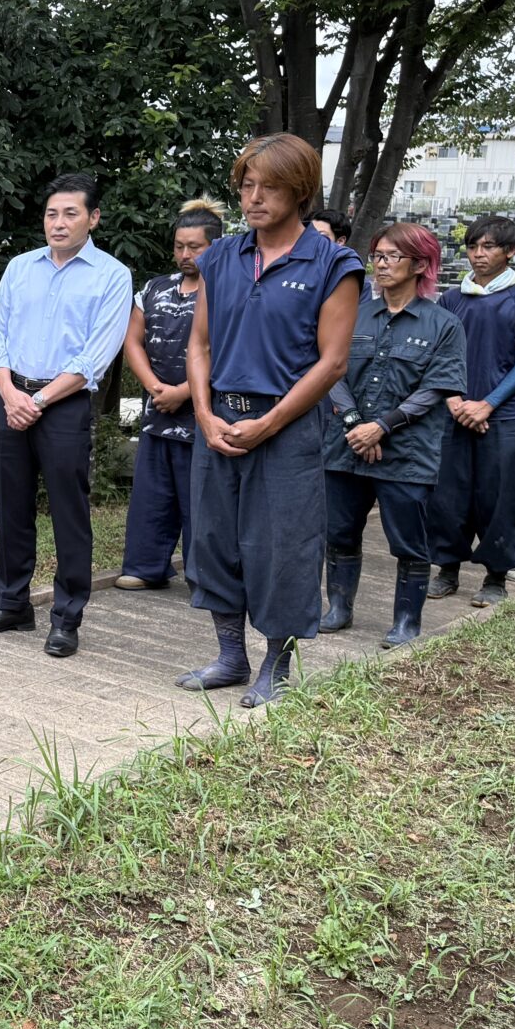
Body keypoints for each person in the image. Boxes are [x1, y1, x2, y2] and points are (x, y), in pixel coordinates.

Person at [178, 134, 363, 706]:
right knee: (213, 539)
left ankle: (275, 666)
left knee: (283, 545)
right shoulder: (220, 256)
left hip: (287, 428)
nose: (253, 198)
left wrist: (271, 423)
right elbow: (199, 345)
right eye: (246, 186)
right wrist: (205, 415)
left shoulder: (335, 263)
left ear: (300, 191)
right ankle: (230, 654)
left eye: (270, 187)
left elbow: (332, 362)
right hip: (220, 422)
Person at [0, 173, 133, 658]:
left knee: (68, 512)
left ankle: (67, 618)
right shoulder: (20, 268)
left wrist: (35, 402)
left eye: (70, 213)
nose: (58, 224)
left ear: (93, 218)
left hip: (62, 405)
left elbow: (93, 358)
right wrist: (9, 393)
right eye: (51, 214)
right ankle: (11, 604)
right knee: (10, 507)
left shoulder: (111, 275)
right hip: (9, 396)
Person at [320, 223, 468, 648]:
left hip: (407, 452)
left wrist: (382, 426)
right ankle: (338, 607)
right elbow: (332, 370)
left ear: (420, 264)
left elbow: (437, 387)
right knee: (340, 532)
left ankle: (407, 621)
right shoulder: (354, 313)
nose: (382, 265)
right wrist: (353, 423)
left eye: (392, 257)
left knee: (408, 541)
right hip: (346, 447)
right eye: (378, 256)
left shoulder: (444, 324)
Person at [428, 215, 515, 607]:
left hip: (504, 417)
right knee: (449, 495)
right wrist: (453, 400)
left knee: (499, 497)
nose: (479, 254)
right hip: (454, 411)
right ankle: (447, 568)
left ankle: (496, 576)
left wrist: (487, 404)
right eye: (473, 246)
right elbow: (439, 357)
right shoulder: (452, 299)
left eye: (489, 247)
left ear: (510, 252)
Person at [114, 203, 225, 591]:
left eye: (195, 247)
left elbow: (230, 352)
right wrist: (156, 388)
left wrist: (185, 393)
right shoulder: (154, 288)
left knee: (200, 500)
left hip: (204, 414)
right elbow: (132, 340)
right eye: (179, 246)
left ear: (216, 246)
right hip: (157, 410)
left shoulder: (231, 290)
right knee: (151, 495)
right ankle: (146, 567)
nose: (185, 255)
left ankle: (204, 576)